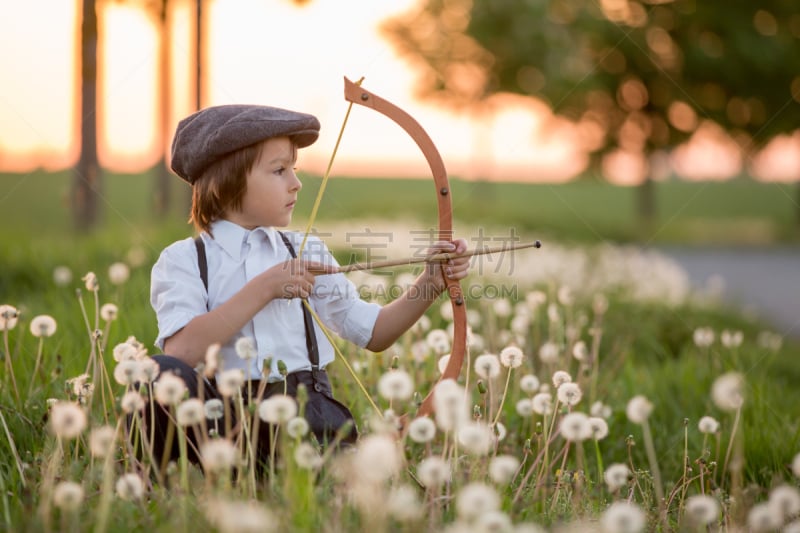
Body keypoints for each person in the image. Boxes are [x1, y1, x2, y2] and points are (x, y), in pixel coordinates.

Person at [146, 104, 470, 471]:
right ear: (227, 181)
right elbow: (182, 352)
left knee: (329, 476)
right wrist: (266, 287)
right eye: (279, 170)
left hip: (305, 415)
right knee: (157, 374)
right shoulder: (185, 259)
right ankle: (175, 477)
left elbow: (375, 332)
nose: (295, 183)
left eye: (293, 169)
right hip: (221, 423)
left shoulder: (305, 250)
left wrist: (431, 282)